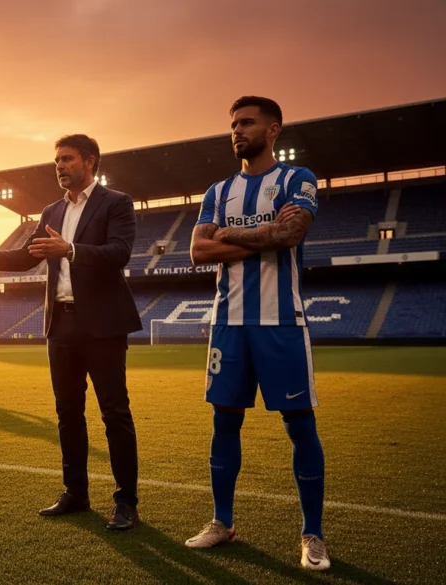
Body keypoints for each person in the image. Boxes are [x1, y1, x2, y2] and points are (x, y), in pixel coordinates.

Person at [0, 134, 143, 531]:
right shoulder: (50, 210)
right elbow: (27, 256)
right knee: (67, 412)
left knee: (114, 413)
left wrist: (70, 250)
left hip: (103, 323)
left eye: (67, 159)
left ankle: (126, 503)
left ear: (90, 162)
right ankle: (75, 493)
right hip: (62, 324)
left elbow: (120, 253)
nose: (59, 166)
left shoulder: (116, 203)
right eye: (56, 160)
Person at [184, 96, 329, 571]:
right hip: (228, 323)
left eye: (246, 123)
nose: (236, 131)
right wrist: (262, 233)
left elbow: (291, 235)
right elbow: (198, 253)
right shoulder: (218, 190)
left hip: (281, 322)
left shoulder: (297, 179)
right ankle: (222, 522)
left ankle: (313, 534)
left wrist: (229, 236)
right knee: (224, 422)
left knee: (299, 425)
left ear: (273, 130)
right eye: (233, 124)